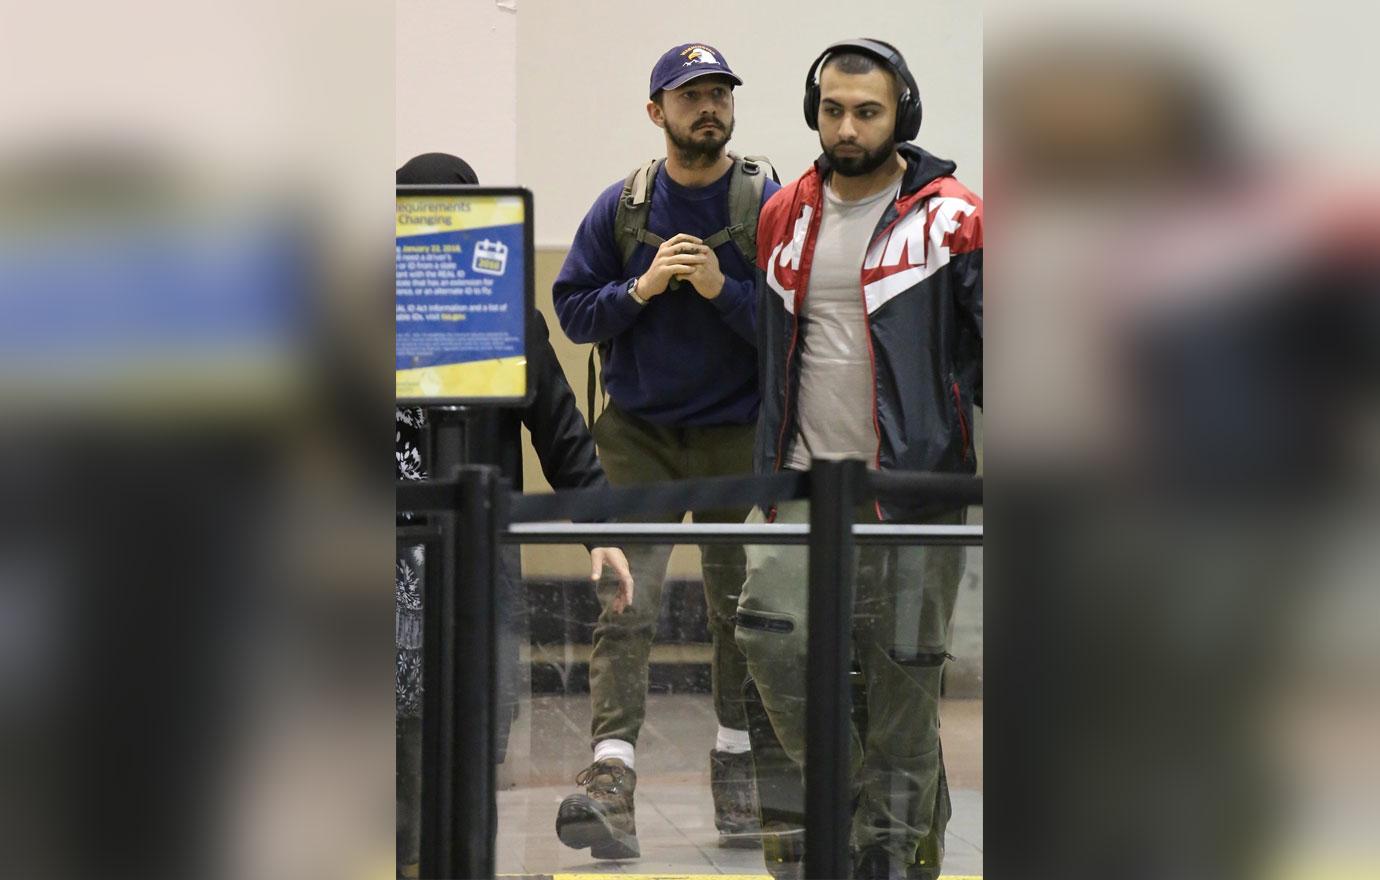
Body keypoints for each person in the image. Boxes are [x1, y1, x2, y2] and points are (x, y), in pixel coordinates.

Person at [734, 40, 982, 880]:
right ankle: (855, 800)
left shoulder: (951, 216)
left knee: (903, 675)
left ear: (901, 113)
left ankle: (887, 852)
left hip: (913, 489)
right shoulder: (783, 213)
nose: (846, 127)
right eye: (833, 109)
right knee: (768, 635)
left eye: (866, 111)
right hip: (798, 480)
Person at [550, 42, 781, 859]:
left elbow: (793, 327)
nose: (708, 107)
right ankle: (610, 777)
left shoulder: (766, 199)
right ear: (657, 113)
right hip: (639, 435)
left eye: (719, 93)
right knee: (626, 600)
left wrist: (725, 292)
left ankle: (737, 765)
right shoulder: (623, 206)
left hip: (734, 433)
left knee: (740, 613)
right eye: (690, 96)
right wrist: (640, 290)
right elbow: (574, 312)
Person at [394, 152, 634, 879]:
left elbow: (562, 433)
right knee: (398, 744)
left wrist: (601, 533)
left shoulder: (507, 319)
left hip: (472, 561)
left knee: (471, 738)